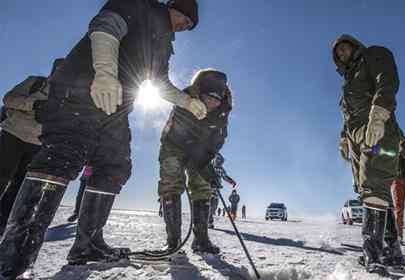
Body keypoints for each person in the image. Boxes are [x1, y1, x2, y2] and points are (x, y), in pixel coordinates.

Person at [0, 0, 202, 277]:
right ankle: (15, 257)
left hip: (115, 109)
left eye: (189, 26)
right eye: (186, 19)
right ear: (174, 6)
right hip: (81, 91)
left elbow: (159, 83)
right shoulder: (140, 7)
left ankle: (87, 245)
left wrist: (187, 102)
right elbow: (105, 26)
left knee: (116, 165)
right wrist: (105, 73)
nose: (185, 26)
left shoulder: (164, 43)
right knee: (61, 159)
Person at [333, 34, 405, 273]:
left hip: (379, 132)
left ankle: (372, 252)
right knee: (370, 190)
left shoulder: (372, 55)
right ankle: (391, 250)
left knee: (375, 186)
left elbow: (387, 80)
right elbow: (349, 118)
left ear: (355, 47)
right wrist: (345, 139)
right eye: (338, 53)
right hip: (360, 142)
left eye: (345, 48)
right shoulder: (348, 83)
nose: (342, 53)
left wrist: (379, 113)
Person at [158, 69, 233, 254]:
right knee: (171, 183)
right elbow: (181, 133)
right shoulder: (186, 99)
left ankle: (201, 240)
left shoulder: (222, 111)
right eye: (209, 97)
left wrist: (207, 163)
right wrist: (198, 158)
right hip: (174, 145)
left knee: (202, 186)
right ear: (200, 92)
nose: (212, 103)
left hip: (201, 151)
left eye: (217, 99)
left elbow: (218, 139)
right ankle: (173, 241)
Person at [0, 59, 64, 236]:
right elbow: (9, 99)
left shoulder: (67, 96)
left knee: (19, 187)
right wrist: (34, 104)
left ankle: (2, 224)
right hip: (12, 136)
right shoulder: (36, 82)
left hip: (38, 145)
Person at [208, 153, 236, 228]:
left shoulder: (220, 169)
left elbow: (224, 176)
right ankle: (209, 222)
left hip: (216, 190)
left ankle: (208, 218)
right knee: (209, 205)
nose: (220, 163)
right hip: (208, 189)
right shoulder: (209, 167)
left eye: (221, 162)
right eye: (218, 161)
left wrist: (231, 181)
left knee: (214, 206)